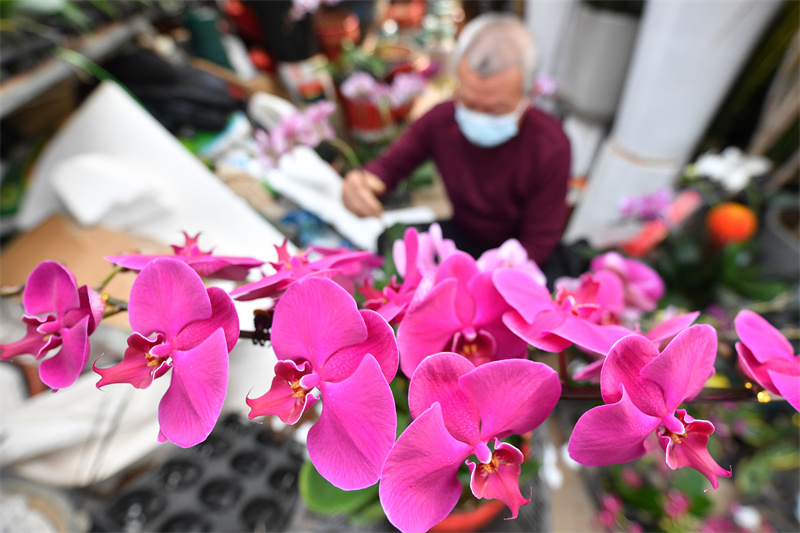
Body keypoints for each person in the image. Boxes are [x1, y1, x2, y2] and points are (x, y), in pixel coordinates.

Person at [342, 13, 571, 267]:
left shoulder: (550, 146)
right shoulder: (442, 120)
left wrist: (488, 276)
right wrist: (361, 183)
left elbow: (537, 243)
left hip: (515, 259)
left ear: (529, 95)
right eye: (469, 104)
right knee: (391, 243)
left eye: (496, 109)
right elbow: (388, 168)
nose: (479, 117)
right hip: (461, 236)